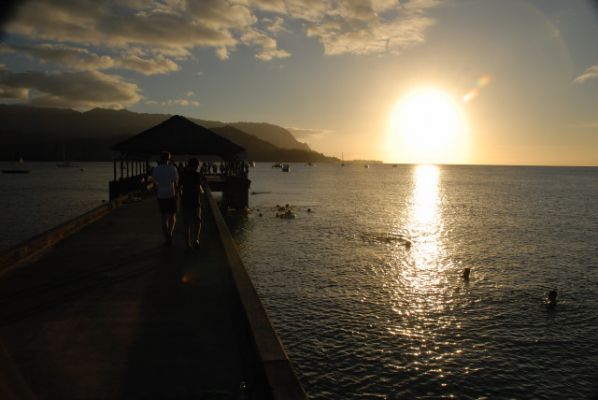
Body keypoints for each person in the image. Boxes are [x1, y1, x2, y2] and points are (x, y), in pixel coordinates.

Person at [152, 151, 178, 247]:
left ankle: (167, 237)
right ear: (169, 158)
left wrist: (157, 193)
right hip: (171, 194)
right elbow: (175, 183)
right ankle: (170, 233)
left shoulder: (156, 169)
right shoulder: (172, 168)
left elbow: (155, 183)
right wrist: (177, 194)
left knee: (163, 218)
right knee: (173, 216)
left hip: (161, 195)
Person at [179, 157, 204, 250]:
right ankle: (196, 239)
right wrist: (202, 193)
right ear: (196, 165)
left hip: (185, 202)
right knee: (198, 221)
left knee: (187, 224)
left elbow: (179, 188)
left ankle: (187, 244)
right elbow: (199, 188)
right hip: (195, 201)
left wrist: (182, 197)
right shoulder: (197, 175)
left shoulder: (183, 174)